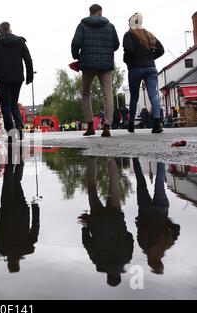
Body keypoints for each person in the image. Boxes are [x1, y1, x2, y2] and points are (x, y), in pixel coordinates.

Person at [79, 158, 134, 287]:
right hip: (97, 221)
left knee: (114, 184)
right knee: (92, 187)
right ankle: (91, 159)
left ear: (119, 275)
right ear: (108, 276)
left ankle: (110, 159)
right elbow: (87, 243)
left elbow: (130, 239)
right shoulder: (98, 262)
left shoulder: (126, 258)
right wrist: (86, 226)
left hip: (116, 218)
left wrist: (121, 229)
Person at [71, 4, 120, 138]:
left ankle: (91, 126)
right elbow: (116, 45)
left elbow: (75, 43)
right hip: (106, 64)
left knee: (86, 93)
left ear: (90, 13)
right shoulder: (110, 26)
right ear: (100, 12)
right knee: (107, 94)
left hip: (88, 64)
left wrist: (76, 56)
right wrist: (106, 50)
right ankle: (107, 127)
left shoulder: (82, 25)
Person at [0, 147, 40, 273]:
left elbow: (35, 226)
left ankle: (20, 161)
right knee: (8, 181)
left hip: (22, 210)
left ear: (18, 263)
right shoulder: (3, 249)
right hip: (6, 210)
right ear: (10, 263)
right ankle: (12, 157)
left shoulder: (28, 248)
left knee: (16, 183)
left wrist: (35, 208)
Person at [0, 22, 34, 142]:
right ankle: (19, 125)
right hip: (17, 78)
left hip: (2, 78)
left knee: (6, 105)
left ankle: (11, 132)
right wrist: (29, 76)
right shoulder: (19, 41)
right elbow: (28, 59)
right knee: (14, 103)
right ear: (10, 29)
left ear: (0, 30)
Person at [133, 159, 180, 274]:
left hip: (162, 210)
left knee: (159, 181)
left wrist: (167, 222)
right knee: (140, 181)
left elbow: (177, 228)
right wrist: (138, 219)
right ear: (149, 260)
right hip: (145, 211)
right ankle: (134, 158)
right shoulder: (143, 244)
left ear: (160, 261)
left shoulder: (167, 244)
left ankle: (161, 158)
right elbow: (140, 226)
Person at [123, 13, 165, 134]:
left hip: (135, 68)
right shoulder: (149, 35)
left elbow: (129, 50)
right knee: (153, 95)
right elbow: (161, 50)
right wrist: (150, 58)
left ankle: (131, 124)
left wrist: (126, 59)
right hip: (151, 68)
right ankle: (157, 123)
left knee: (134, 97)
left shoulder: (128, 35)